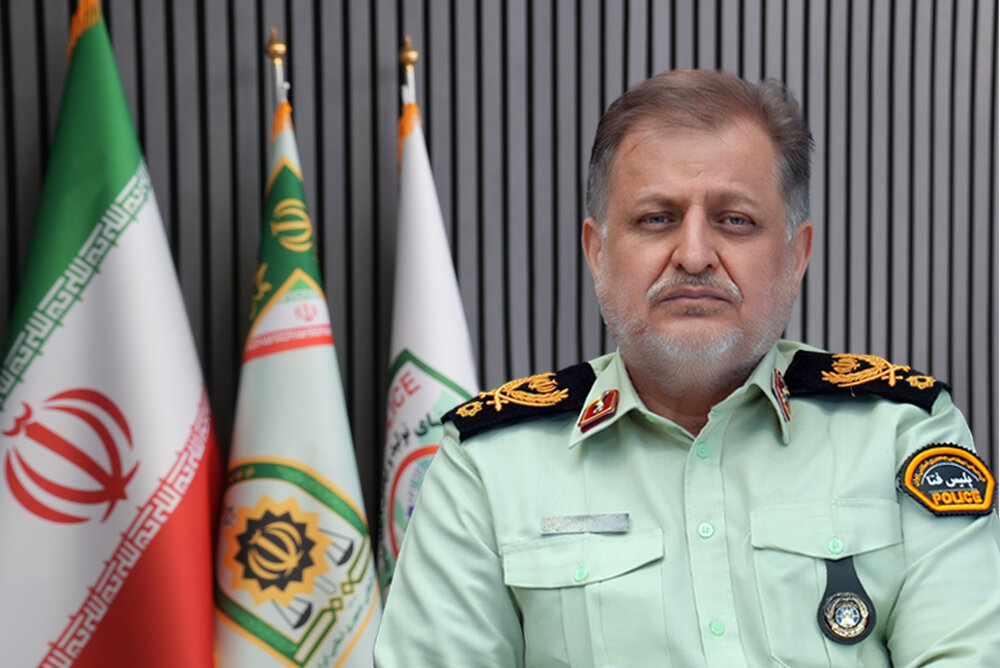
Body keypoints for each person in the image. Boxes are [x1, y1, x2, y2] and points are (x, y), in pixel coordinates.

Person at [373, 69, 1000, 667]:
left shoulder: (901, 433)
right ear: (597, 253)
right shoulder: (488, 466)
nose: (695, 255)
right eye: (657, 219)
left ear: (796, 255)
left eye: (735, 220)